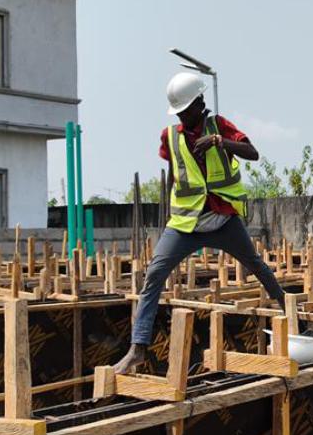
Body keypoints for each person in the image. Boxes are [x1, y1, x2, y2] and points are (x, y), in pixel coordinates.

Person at [112, 72, 286, 373]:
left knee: (258, 266)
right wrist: (170, 217)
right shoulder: (170, 136)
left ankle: (294, 317)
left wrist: (220, 141)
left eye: (185, 110)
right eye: (177, 111)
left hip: (222, 219)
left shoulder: (219, 126)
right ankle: (137, 349)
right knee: (154, 275)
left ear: (199, 104)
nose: (181, 115)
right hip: (185, 223)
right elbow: (177, 173)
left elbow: (253, 153)